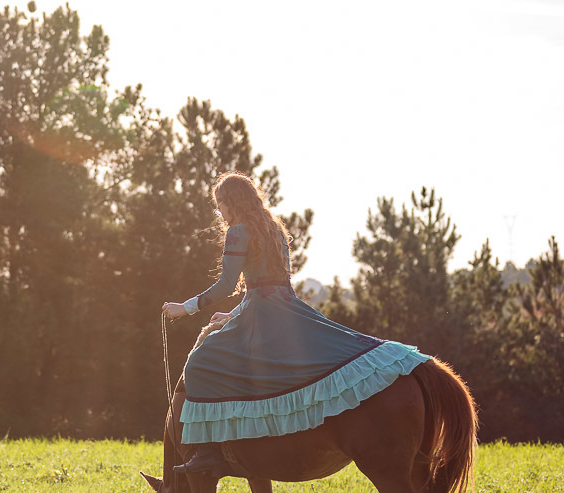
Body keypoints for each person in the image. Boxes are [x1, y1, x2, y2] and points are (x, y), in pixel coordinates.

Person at [161, 171, 430, 476]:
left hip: (262, 315)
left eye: (220, 204)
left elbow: (225, 286)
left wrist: (184, 308)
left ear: (232, 202)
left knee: (199, 364)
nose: (219, 212)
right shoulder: (274, 230)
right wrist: (234, 315)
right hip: (287, 309)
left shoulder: (238, 231)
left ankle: (209, 453)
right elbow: (271, 286)